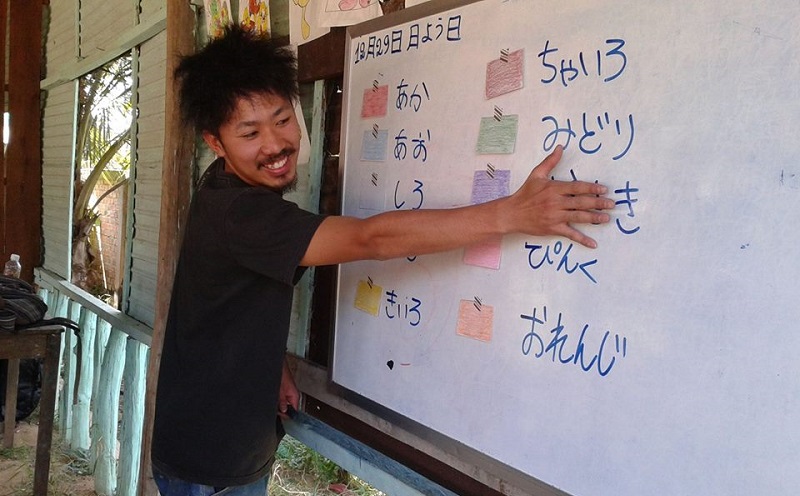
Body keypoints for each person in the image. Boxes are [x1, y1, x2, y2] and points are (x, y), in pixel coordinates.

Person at [151, 25, 614, 496]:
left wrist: (274, 366)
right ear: (215, 141)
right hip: (209, 467)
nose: (275, 144)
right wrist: (512, 212)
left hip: (210, 446)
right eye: (250, 132)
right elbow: (372, 238)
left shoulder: (225, 188)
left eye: (282, 119)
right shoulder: (242, 212)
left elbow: (229, 304)